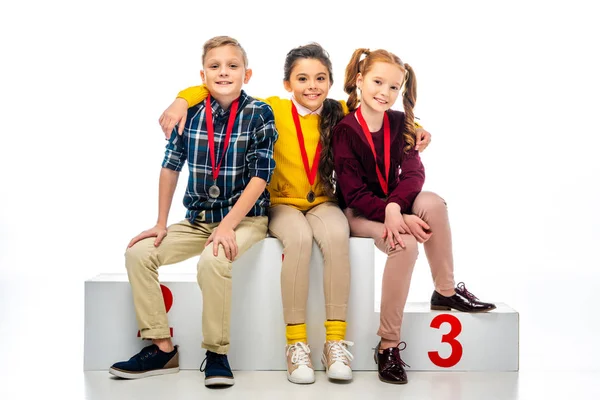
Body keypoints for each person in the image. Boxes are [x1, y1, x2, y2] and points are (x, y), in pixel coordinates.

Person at [157, 43, 431, 384]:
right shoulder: (270, 108)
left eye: (320, 78)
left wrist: (415, 126)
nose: (311, 86)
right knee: (299, 239)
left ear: (331, 82)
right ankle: (296, 343)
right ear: (287, 84)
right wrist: (183, 99)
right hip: (281, 203)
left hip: (323, 203)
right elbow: (226, 87)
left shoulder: (338, 113)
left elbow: (377, 113)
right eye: (302, 79)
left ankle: (334, 342)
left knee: (335, 236)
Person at [108, 36, 277, 388]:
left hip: (244, 219)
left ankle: (216, 353)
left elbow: (261, 177)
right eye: (215, 67)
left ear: (247, 74)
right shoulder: (191, 113)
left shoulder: (259, 112)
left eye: (232, 66)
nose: (223, 73)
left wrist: (228, 226)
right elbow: (170, 167)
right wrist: (160, 223)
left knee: (213, 260)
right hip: (198, 220)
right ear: (203, 75)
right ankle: (162, 348)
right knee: (139, 253)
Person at [332, 48, 496, 385]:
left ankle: (446, 290)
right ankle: (388, 344)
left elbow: (413, 174)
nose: (385, 93)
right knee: (404, 246)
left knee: (433, 202)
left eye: (394, 87)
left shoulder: (401, 122)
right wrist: (393, 216)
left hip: (394, 206)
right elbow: (354, 194)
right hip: (361, 213)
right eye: (378, 82)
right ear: (360, 81)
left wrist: (396, 208)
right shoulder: (345, 130)